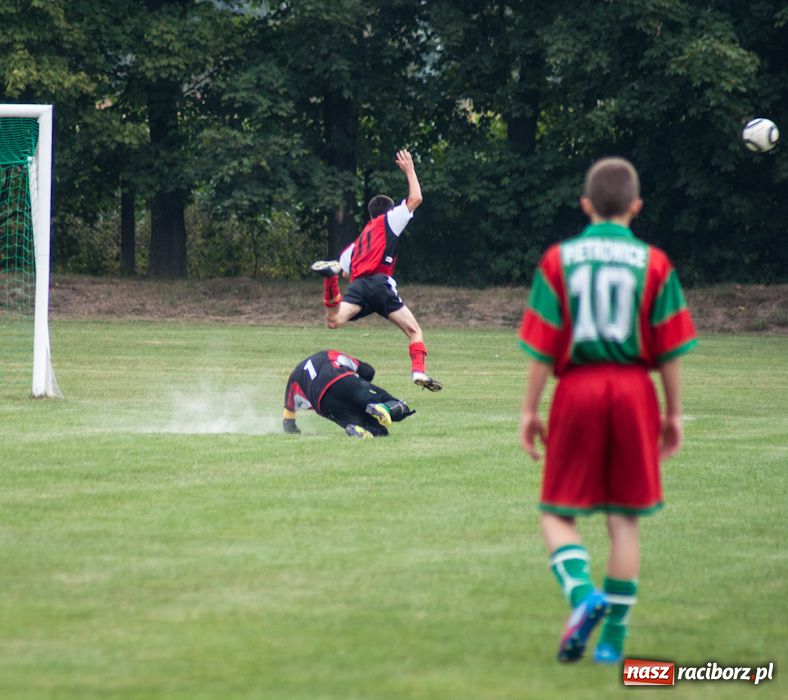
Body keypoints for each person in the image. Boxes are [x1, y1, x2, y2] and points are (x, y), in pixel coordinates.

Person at [518, 157, 697, 665]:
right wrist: (674, 412)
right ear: (636, 207)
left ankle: (582, 596)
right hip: (635, 392)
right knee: (624, 522)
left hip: (577, 390)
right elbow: (670, 348)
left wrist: (530, 410)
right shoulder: (655, 263)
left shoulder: (559, 259)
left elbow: (541, 346)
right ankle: (613, 642)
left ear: (586, 205)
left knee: (556, 514)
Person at [310, 149, 442, 392]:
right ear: (390, 211)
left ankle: (329, 280)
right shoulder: (391, 219)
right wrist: (410, 170)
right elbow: (416, 198)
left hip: (359, 287)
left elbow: (347, 272)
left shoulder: (356, 243)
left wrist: (343, 275)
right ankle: (419, 372)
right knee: (414, 330)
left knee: (334, 320)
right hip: (381, 284)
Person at [282, 349, 415, 438]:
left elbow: (288, 421)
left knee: (380, 432)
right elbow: (368, 371)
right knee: (400, 406)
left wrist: (293, 431)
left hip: (324, 405)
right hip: (343, 381)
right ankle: (383, 407)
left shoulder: (294, 379)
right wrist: (360, 394)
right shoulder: (329, 354)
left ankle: (358, 430)